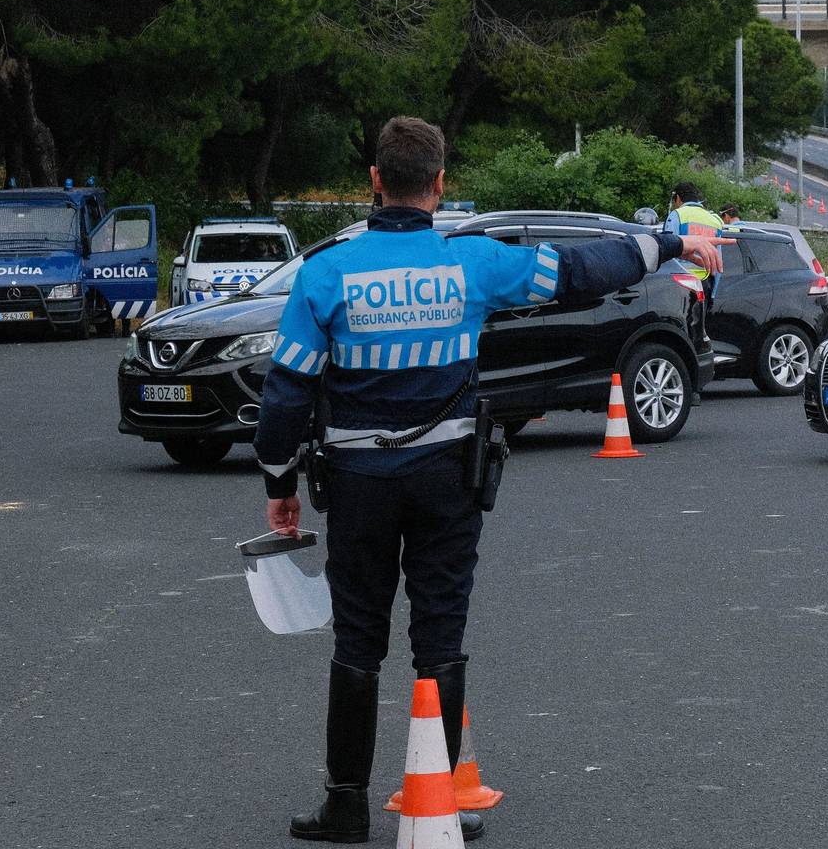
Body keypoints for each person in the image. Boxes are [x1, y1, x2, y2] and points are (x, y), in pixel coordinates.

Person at [258, 117, 729, 844]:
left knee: (357, 637)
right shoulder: (474, 263)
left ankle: (345, 804)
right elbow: (580, 270)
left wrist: (277, 481)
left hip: (357, 482)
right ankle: (446, 801)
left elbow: (286, 391)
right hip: (448, 474)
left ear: (376, 181)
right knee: (439, 631)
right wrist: (669, 243)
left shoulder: (327, 273)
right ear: (440, 186)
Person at [664, 181, 725, 304]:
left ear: (678, 198)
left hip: (681, 282)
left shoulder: (677, 215)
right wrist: (713, 294)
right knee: (699, 322)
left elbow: (667, 249)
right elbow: (717, 262)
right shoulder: (714, 220)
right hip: (705, 283)